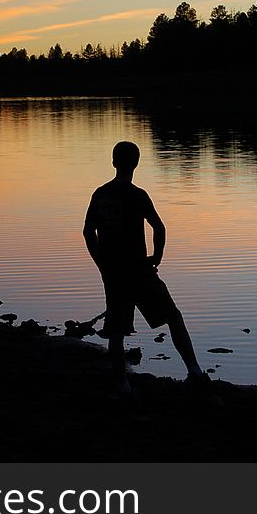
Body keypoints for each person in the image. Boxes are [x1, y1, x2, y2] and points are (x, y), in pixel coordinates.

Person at [83, 141, 206, 394]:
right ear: (136, 164)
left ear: (114, 162)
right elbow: (159, 228)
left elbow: (88, 232)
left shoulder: (100, 194)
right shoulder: (137, 195)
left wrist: (101, 264)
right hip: (139, 270)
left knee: (116, 331)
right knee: (173, 316)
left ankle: (122, 385)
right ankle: (194, 371)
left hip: (114, 273)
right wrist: (156, 257)